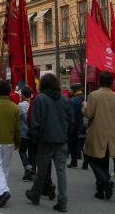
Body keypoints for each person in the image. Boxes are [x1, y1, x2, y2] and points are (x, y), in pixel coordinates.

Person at [25, 73, 74, 212]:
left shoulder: (40, 99)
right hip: (61, 140)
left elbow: (35, 121)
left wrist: (35, 137)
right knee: (61, 171)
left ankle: (35, 194)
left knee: (41, 171)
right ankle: (62, 201)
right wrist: (65, 135)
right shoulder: (65, 99)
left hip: (45, 140)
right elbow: (72, 122)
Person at [82, 71, 115, 200]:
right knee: (104, 160)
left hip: (97, 131)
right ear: (111, 82)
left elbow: (89, 114)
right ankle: (102, 190)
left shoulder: (94, 95)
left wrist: (84, 107)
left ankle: (105, 181)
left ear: (99, 81)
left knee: (90, 158)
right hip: (111, 133)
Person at [18, 86, 35, 181]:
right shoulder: (33, 103)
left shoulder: (20, 106)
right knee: (32, 153)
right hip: (33, 132)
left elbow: (17, 118)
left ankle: (28, 167)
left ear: (23, 95)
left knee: (22, 151)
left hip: (24, 133)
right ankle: (31, 170)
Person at [67, 83, 84, 169]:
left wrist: (70, 129)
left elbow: (72, 116)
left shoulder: (73, 101)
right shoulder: (85, 98)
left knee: (73, 145)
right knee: (84, 145)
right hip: (85, 126)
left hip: (75, 127)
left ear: (74, 90)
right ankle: (85, 164)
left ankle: (74, 162)